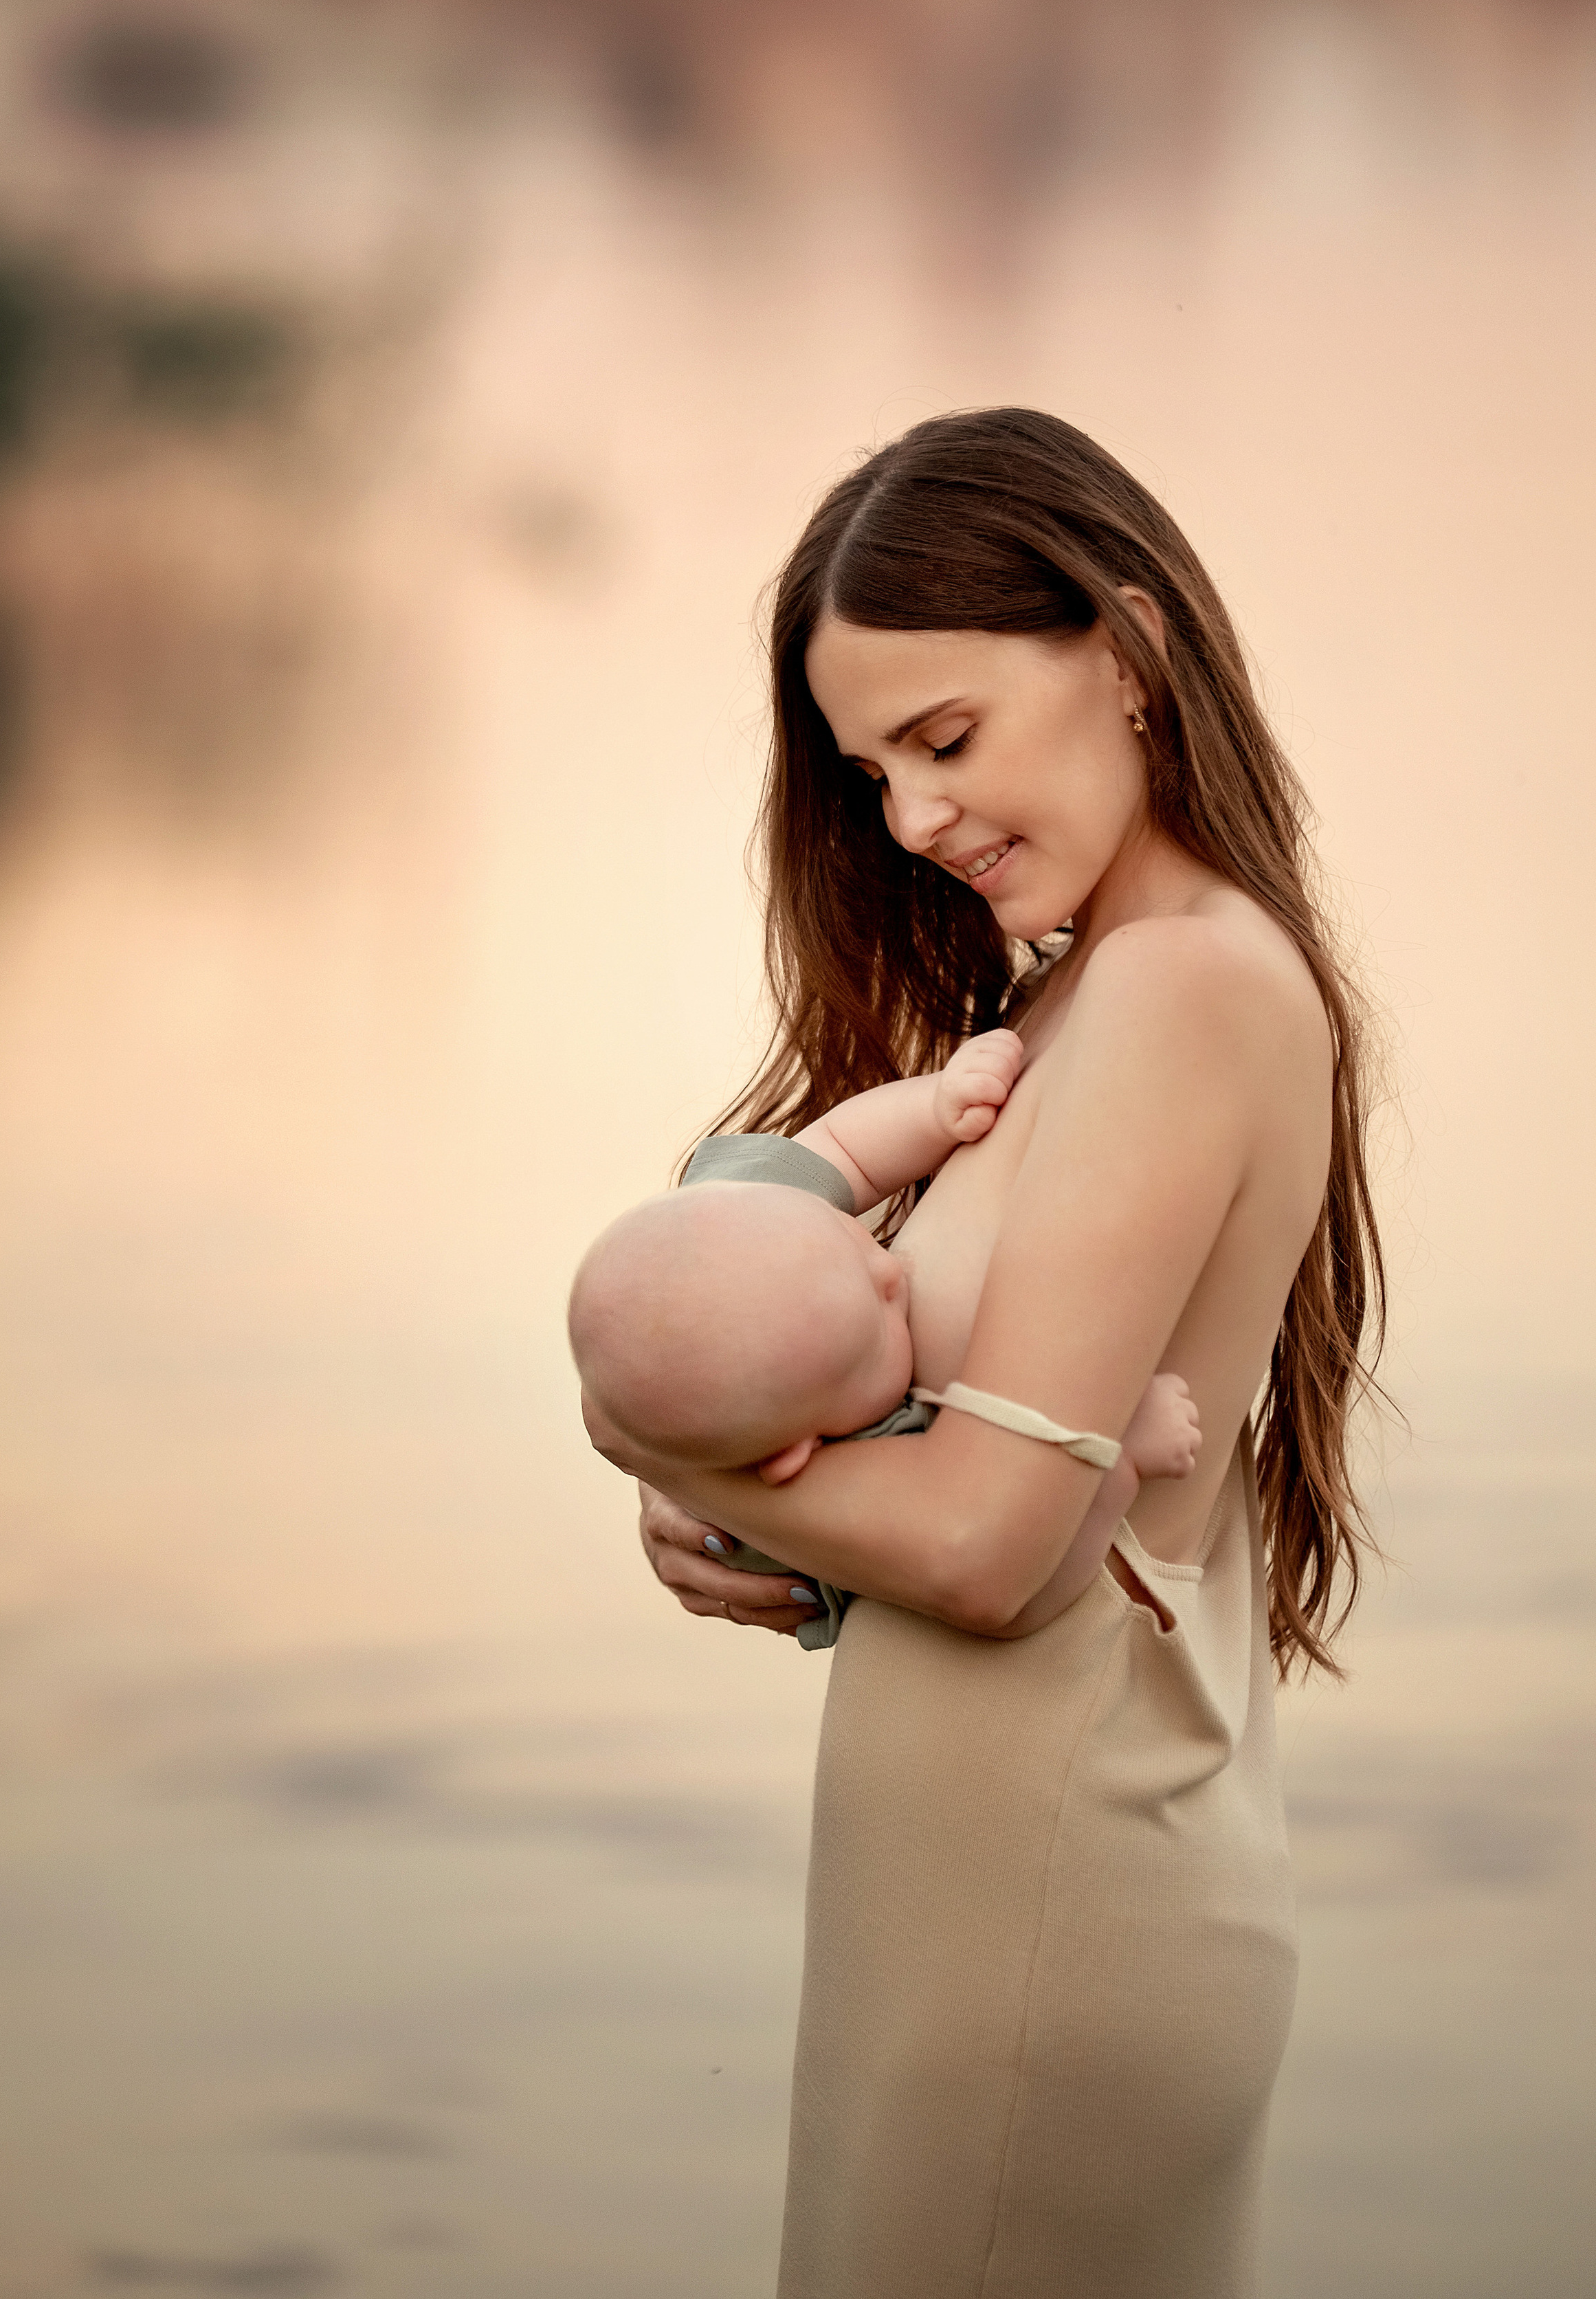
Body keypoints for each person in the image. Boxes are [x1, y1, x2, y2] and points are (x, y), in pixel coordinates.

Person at [579, 408, 1384, 2299]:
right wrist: (757, 1504)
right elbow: (932, 1482)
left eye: (945, 740)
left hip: (1053, 1903)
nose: (913, 820)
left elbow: (984, 1542)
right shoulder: (1079, 992)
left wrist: (664, 1439)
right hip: (969, 1889)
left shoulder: (1189, 982)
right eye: (872, 773)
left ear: (1131, 652)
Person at [571, 1034, 1203, 1649]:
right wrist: (1116, 1455)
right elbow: (1021, 1600)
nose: (892, 1274)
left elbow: (845, 1148)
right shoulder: (865, 1460)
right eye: (877, 1332)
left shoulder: (753, 1221)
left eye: (854, 1247)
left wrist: (937, 1107)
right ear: (801, 1454)